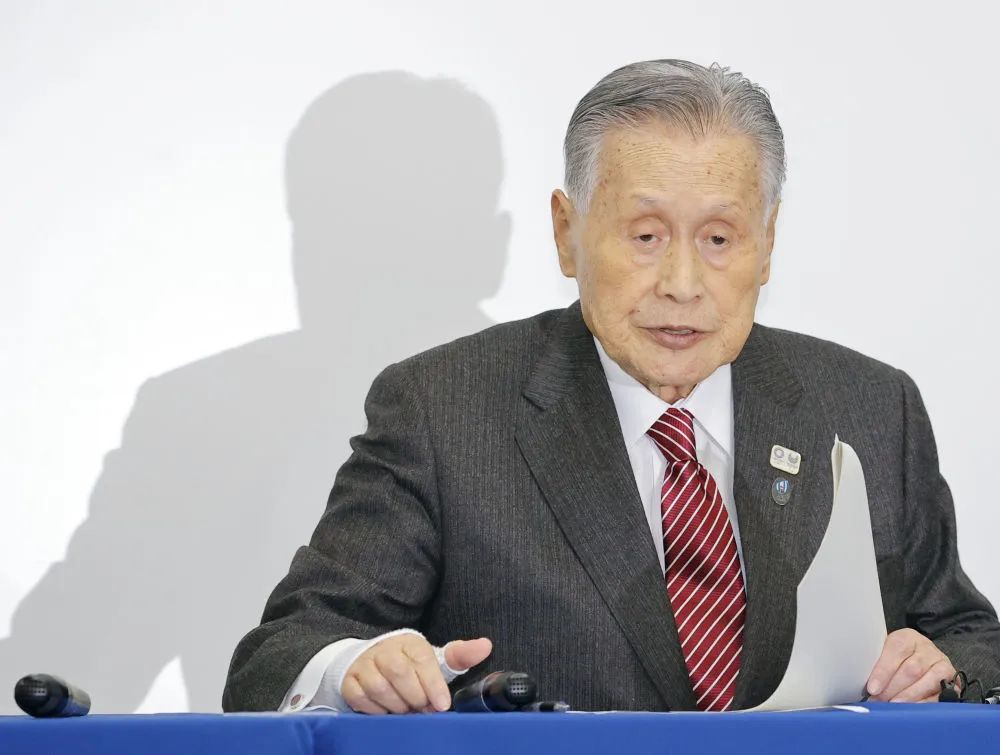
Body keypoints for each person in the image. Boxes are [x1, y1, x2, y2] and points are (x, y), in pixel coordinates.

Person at [222, 59, 1000, 714]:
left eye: (719, 238)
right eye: (646, 235)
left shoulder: (869, 405)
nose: (683, 282)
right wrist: (357, 667)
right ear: (567, 233)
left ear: (767, 244)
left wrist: (943, 668)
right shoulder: (441, 410)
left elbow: (973, 639)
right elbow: (278, 656)